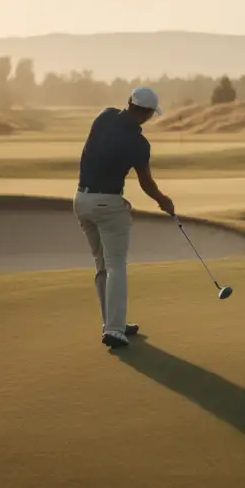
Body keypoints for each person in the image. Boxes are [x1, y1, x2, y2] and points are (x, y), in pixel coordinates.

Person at [73, 86, 176, 349]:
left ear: (129, 102)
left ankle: (112, 324)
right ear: (147, 114)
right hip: (108, 204)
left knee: (102, 266)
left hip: (81, 200)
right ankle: (116, 330)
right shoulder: (139, 144)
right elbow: (146, 184)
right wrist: (163, 201)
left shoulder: (103, 116)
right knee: (116, 265)